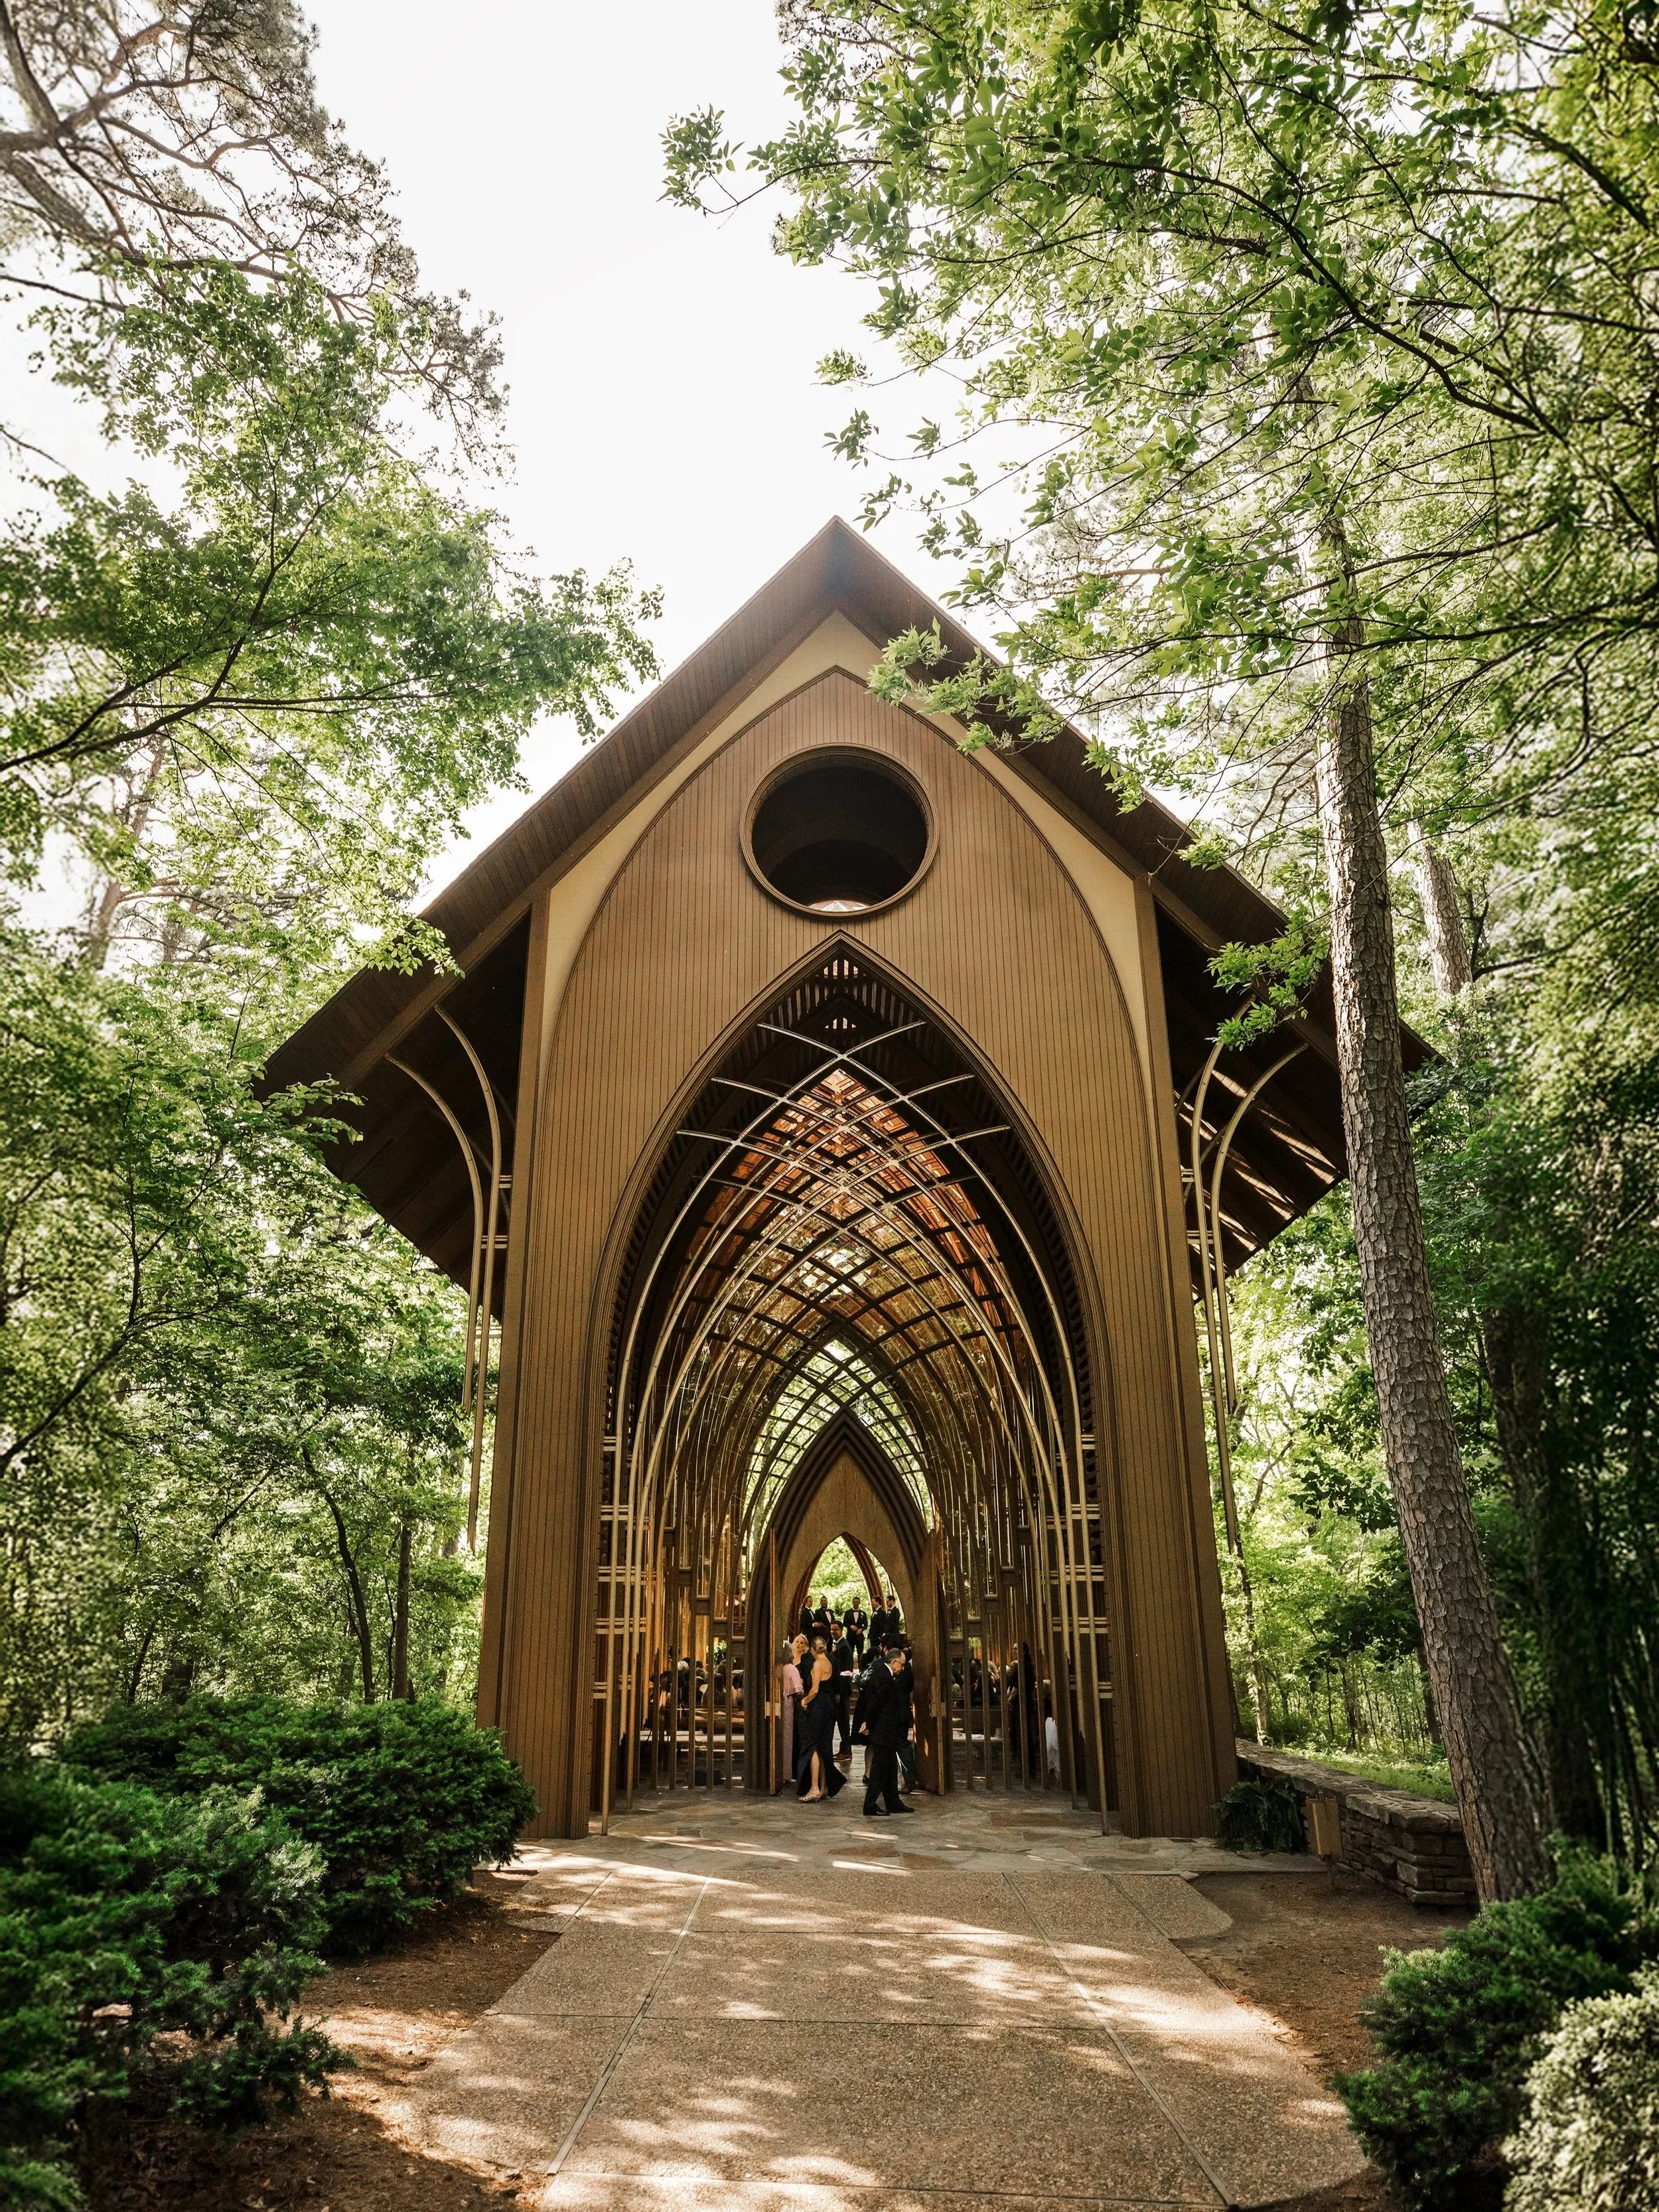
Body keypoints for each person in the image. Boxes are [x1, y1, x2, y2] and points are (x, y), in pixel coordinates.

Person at [860, 1637, 916, 1818]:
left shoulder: (879, 1670)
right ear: (894, 1662)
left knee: (890, 1768)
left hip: (887, 1729)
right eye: (902, 1665)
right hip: (883, 1729)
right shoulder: (884, 1675)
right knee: (879, 1769)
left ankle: (893, 1802)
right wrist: (868, 1723)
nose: (903, 1668)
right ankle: (869, 1805)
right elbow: (876, 1701)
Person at [796, 1632, 845, 1800]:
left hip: (819, 1706)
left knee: (813, 1746)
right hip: (829, 1706)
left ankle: (814, 1788)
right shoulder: (829, 1662)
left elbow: (815, 1689)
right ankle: (824, 1787)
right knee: (825, 1746)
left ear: (812, 1649)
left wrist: (805, 1700)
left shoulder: (817, 1664)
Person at [776, 1635, 803, 1793]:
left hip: (776, 1703)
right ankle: (786, 1773)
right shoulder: (791, 1669)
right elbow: (798, 1691)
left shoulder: (777, 1668)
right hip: (788, 1704)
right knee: (787, 1739)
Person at [830, 1621, 855, 1758]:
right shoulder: (838, 1645)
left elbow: (844, 1672)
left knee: (844, 1722)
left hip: (843, 1691)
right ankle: (844, 1750)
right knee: (840, 1721)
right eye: (831, 1629)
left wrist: (839, 1692)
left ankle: (846, 1751)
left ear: (841, 1630)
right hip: (839, 1690)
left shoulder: (844, 1647)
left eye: (836, 1630)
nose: (833, 1632)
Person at [845, 1596, 868, 1666]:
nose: (856, 1604)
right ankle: (850, 1669)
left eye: (857, 1602)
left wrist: (862, 1629)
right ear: (852, 1603)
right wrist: (851, 1626)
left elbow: (866, 1625)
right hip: (850, 1637)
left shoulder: (863, 1613)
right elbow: (844, 1623)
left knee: (860, 1654)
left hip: (859, 1637)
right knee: (850, 1654)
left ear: (859, 1603)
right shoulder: (847, 1613)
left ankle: (861, 1669)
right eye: (855, 1602)